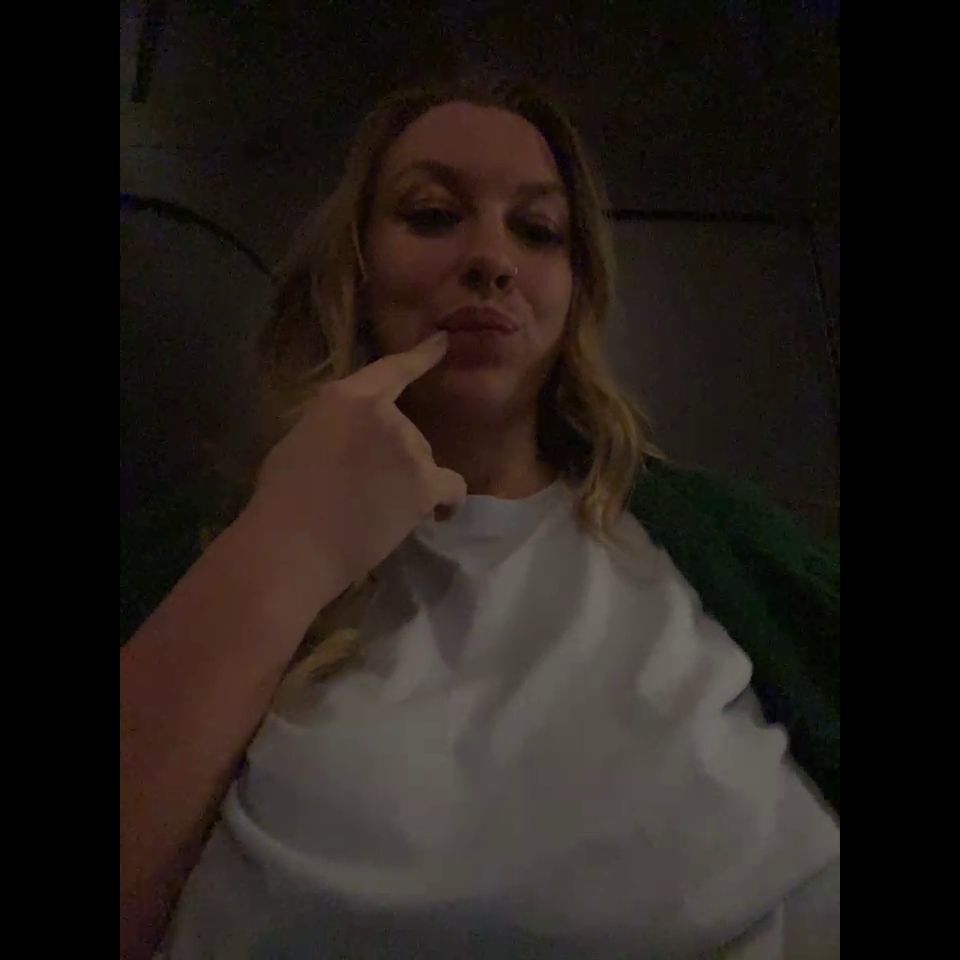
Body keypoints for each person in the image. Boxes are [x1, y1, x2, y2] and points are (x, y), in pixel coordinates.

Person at [120, 74, 840, 959]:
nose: (492, 259)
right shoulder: (205, 550)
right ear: (355, 268)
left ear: (575, 293)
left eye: (537, 230)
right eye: (432, 215)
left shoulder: (718, 536)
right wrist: (289, 540)